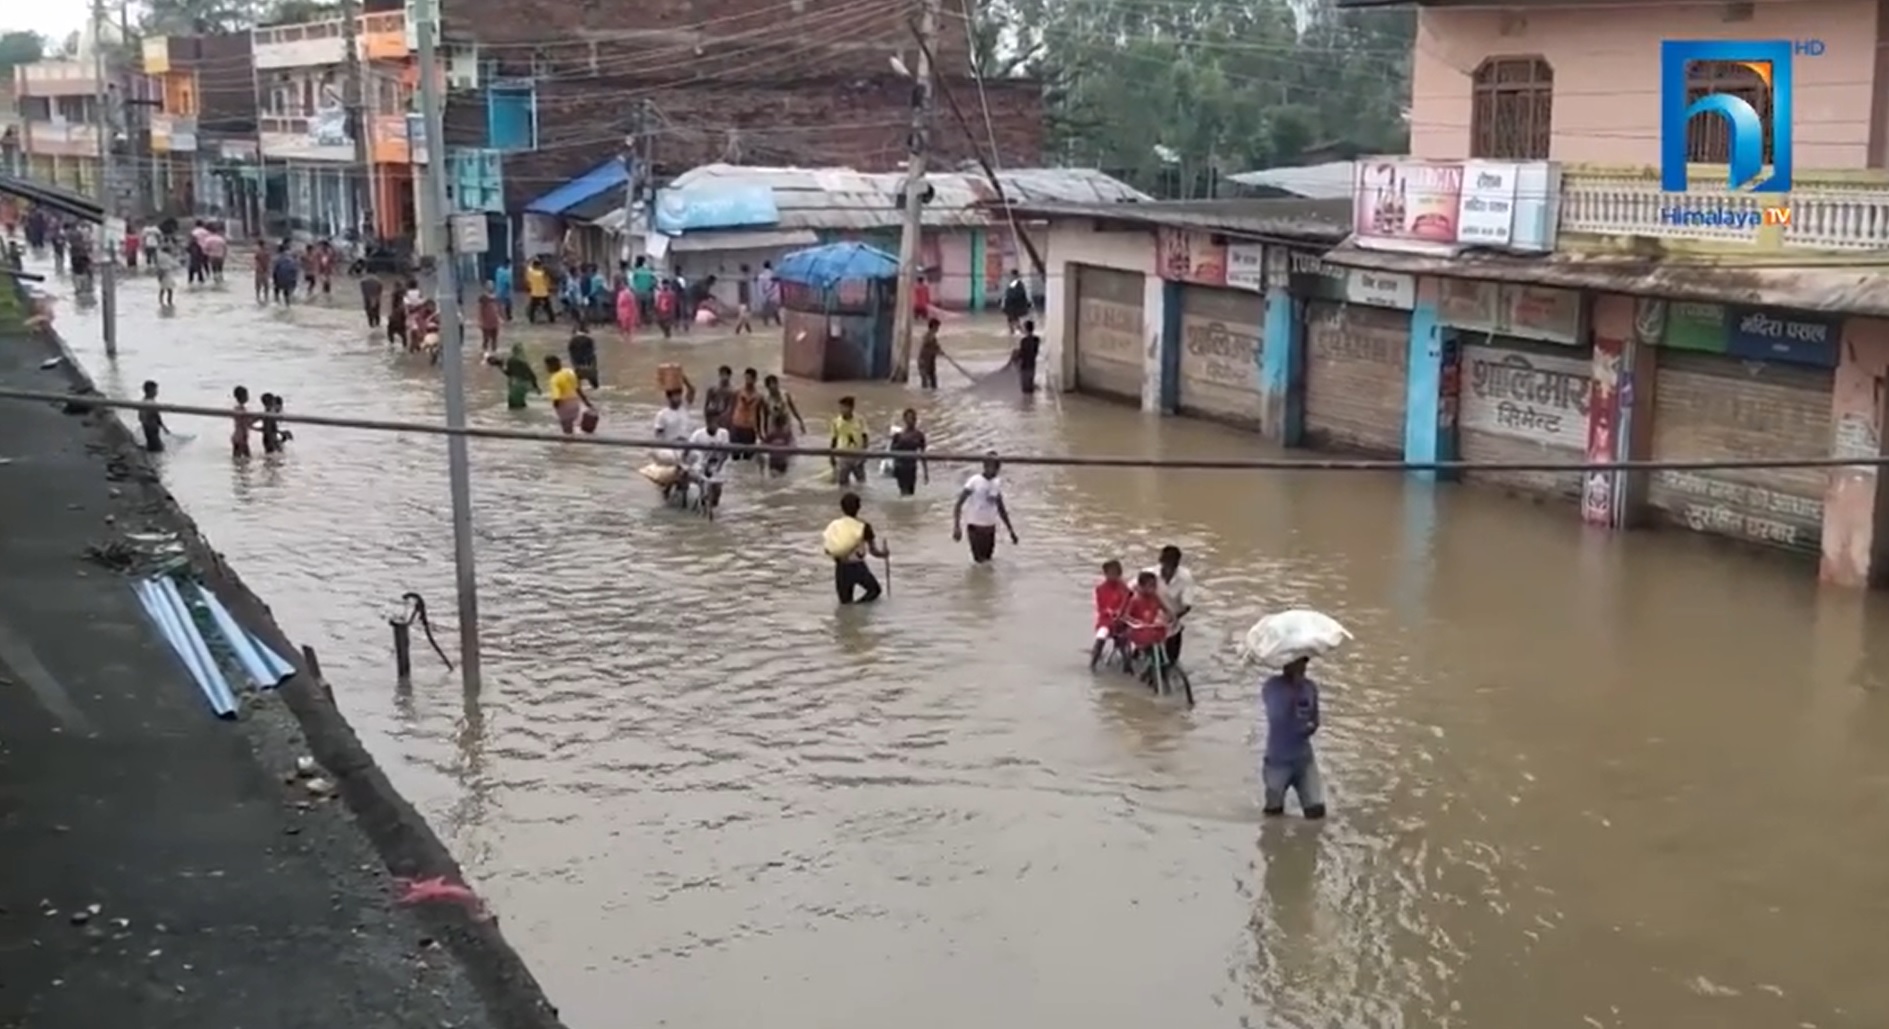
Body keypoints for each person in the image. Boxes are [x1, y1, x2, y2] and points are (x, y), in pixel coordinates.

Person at [1261, 657, 1326, 819]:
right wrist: (1293, 694)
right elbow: (1277, 717)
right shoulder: (1273, 686)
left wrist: (1311, 727)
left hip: (1304, 760)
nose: (1302, 667)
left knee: (1316, 812)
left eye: (1304, 662)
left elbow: (1315, 718)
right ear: (1286, 664)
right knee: (1273, 816)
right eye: (1298, 663)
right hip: (1278, 761)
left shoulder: (1310, 687)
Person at [951, 453, 1018, 564]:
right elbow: (959, 504)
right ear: (986, 466)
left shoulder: (996, 482)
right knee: (979, 562)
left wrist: (1011, 531)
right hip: (975, 528)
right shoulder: (974, 481)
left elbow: (1001, 508)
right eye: (994, 467)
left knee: (987, 562)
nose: (996, 471)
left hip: (990, 528)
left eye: (998, 467)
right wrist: (957, 527)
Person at [828, 491, 888, 605]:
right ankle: (859, 608)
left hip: (841, 568)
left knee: (845, 603)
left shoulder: (835, 526)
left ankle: (850, 617)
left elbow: (829, 549)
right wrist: (884, 554)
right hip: (858, 567)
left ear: (842, 508)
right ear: (859, 507)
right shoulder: (864, 526)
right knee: (874, 590)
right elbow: (873, 551)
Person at [1147, 545, 1197, 668]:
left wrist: (1174, 617)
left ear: (1177, 565)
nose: (1169, 569)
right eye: (1166, 565)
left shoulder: (1185, 577)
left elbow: (1187, 604)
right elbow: (1130, 591)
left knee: (1171, 660)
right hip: (1149, 619)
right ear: (1161, 562)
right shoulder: (1149, 574)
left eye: (1172, 566)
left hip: (1172, 620)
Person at [1118, 571, 1171, 684]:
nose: (1153, 588)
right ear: (1141, 586)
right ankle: (1145, 674)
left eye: (1154, 586)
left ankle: (1149, 674)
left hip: (1152, 631)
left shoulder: (1155, 597)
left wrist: (1172, 618)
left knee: (1161, 652)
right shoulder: (1135, 600)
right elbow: (1127, 616)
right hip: (1139, 631)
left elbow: (1166, 610)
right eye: (1150, 586)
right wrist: (1137, 622)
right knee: (1151, 653)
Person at [1089, 559, 1132, 669]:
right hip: (1106, 621)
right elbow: (1101, 607)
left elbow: (1128, 604)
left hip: (1122, 622)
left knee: (1125, 644)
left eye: (1115, 573)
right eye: (1110, 573)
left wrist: (1121, 613)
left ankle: (1128, 667)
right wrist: (1109, 611)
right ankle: (1093, 663)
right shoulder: (1100, 589)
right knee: (1101, 636)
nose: (1113, 576)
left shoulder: (1125, 589)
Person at [760, 373, 804, 475]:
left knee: (787, 448)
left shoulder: (785, 395)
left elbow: (793, 409)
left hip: (785, 424)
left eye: (774, 384)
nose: (773, 387)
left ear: (777, 384)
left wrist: (800, 422)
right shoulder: (766, 399)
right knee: (772, 448)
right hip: (773, 425)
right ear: (767, 387)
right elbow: (765, 415)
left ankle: (784, 469)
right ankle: (772, 470)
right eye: (770, 386)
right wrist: (764, 432)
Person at [685, 419, 732, 514]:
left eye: (717, 424)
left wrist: (719, 466)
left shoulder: (724, 434)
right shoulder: (698, 434)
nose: (715, 426)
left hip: (718, 465)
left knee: (717, 492)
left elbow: (726, 453)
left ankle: (712, 505)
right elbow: (688, 447)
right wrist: (685, 463)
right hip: (702, 464)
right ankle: (702, 502)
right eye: (712, 423)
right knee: (703, 487)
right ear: (708, 423)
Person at [543, 354, 591, 436]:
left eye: (546, 366)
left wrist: (556, 408)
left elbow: (556, 398)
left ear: (550, 366)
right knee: (575, 424)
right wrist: (587, 403)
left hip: (564, 404)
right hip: (575, 402)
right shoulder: (569, 372)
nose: (546, 368)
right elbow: (578, 389)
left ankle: (568, 445)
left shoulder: (554, 378)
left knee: (567, 430)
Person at [829, 396, 869, 486]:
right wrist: (831, 456)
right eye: (840, 407)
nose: (841, 410)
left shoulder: (860, 420)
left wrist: (864, 454)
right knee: (842, 482)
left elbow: (865, 437)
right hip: (842, 455)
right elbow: (834, 439)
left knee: (861, 482)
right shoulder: (836, 421)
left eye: (844, 407)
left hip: (857, 455)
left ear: (851, 408)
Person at [888, 408, 927, 497]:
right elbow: (891, 451)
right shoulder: (899, 435)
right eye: (909, 418)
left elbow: (923, 455)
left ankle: (906, 509)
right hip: (900, 466)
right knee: (904, 491)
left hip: (912, 467)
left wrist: (926, 473)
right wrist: (899, 443)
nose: (912, 421)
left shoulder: (919, 435)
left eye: (913, 418)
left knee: (911, 492)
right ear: (904, 420)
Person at [727, 368, 764, 458]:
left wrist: (759, 432)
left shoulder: (759, 396)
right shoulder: (737, 392)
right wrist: (728, 426)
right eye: (746, 378)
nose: (748, 381)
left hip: (750, 428)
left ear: (755, 379)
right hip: (737, 426)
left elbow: (758, 415)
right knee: (735, 455)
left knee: (748, 456)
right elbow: (731, 408)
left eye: (750, 379)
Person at [501, 343, 539, 410]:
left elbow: (509, 373)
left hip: (514, 384)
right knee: (521, 405)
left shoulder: (511, 360)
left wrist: (501, 367)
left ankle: (516, 419)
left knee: (513, 406)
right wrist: (536, 387)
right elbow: (532, 375)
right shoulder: (523, 361)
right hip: (523, 385)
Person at [138, 380, 171, 454]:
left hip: (151, 429)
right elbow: (156, 416)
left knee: (154, 447)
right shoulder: (149, 403)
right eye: (155, 390)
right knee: (157, 449)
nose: (156, 392)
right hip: (151, 429)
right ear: (151, 390)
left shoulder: (143, 403)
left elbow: (141, 418)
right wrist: (163, 427)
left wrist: (163, 427)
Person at [702, 365, 735, 431]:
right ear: (719, 375)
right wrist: (708, 421)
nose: (724, 377)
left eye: (726, 375)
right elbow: (706, 407)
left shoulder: (732, 392)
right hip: (714, 417)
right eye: (722, 374)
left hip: (726, 420)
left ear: (729, 376)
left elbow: (732, 408)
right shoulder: (712, 390)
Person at [1014, 318, 1042, 395]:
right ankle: (1031, 403)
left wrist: (1015, 355)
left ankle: (1026, 405)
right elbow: (1035, 352)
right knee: (1030, 384)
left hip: (1024, 365)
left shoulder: (1023, 340)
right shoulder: (1037, 339)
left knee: (1024, 389)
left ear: (1025, 329)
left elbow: (1022, 353)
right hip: (1032, 364)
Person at [1000, 270, 1031, 334]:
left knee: (1014, 320)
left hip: (1015, 306)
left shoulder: (1018, 283)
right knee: (1011, 320)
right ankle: (1013, 332)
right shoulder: (1014, 283)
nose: (1010, 277)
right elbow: (1008, 294)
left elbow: (1016, 294)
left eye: (1011, 275)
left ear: (1014, 276)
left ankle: (1022, 332)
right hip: (1012, 305)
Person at [524, 258, 554, 323]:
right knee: (548, 307)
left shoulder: (531, 273)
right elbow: (548, 283)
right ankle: (552, 319)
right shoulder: (543, 273)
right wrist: (549, 288)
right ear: (539, 266)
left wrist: (530, 260)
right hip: (544, 293)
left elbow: (528, 268)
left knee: (533, 308)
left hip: (535, 293)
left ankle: (531, 319)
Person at [477, 282, 503, 356]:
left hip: (494, 321)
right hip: (486, 322)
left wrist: (500, 318)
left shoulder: (496, 297)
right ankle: (484, 351)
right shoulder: (483, 298)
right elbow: (480, 309)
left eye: (491, 286)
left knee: (495, 338)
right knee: (486, 338)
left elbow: (499, 308)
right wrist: (480, 320)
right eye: (489, 286)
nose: (490, 287)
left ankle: (494, 351)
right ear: (486, 287)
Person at [629, 256, 657, 325]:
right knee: (647, 308)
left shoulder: (635, 271)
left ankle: (639, 322)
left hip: (638, 292)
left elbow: (631, 282)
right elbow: (654, 280)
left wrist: (633, 289)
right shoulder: (648, 271)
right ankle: (648, 322)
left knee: (638, 308)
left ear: (638, 262)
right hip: (647, 292)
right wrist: (651, 287)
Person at [230, 385, 256, 459]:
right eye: (246, 395)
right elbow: (247, 422)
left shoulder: (240, 408)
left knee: (239, 458)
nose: (248, 397)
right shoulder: (240, 409)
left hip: (239, 437)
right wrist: (258, 418)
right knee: (245, 457)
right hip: (241, 438)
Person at [917, 317, 943, 390]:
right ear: (933, 326)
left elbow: (936, 348)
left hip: (930, 361)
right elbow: (926, 345)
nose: (938, 329)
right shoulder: (927, 336)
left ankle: (931, 396)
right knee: (925, 381)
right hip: (924, 361)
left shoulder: (933, 337)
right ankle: (925, 396)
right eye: (937, 326)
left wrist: (939, 350)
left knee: (933, 381)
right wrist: (936, 350)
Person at [153, 245, 179, 310]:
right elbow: (174, 264)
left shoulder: (159, 256)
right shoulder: (168, 257)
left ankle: (161, 301)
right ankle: (169, 301)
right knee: (170, 289)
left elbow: (157, 264)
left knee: (162, 288)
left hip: (161, 273)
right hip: (167, 273)